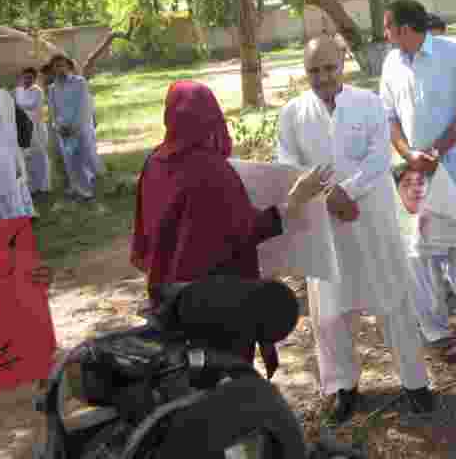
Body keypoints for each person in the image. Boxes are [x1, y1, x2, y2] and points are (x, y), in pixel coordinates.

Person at [276, 35, 433, 422]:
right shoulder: (293, 114)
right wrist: (328, 197)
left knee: (393, 301)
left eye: (329, 68)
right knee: (329, 313)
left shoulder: (367, 103)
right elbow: (287, 166)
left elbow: (379, 156)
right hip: (324, 225)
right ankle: (342, 387)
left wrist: (347, 191)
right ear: (305, 72)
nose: (322, 77)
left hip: (371, 221)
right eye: (314, 70)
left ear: (342, 64)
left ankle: (415, 383)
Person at [132, 80, 289, 376]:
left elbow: (146, 232)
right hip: (215, 304)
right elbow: (246, 230)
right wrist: (290, 205)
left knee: (184, 378)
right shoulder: (213, 170)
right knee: (225, 382)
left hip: (168, 299)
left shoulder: (153, 162)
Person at [379, 0, 456, 360]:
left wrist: (437, 152)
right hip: (415, 172)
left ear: (403, 29)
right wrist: (408, 155)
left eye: (387, 27)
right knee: (421, 250)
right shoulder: (390, 64)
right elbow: (390, 118)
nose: (384, 35)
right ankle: (435, 328)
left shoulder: (455, 53)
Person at [0, 65, 53, 459]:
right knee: (13, 276)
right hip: (8, 200)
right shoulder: (3, 100)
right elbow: (23, 133)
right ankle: (31, 363)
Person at [0, 64, 34, 217]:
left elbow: (23, 121)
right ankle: (23, 214)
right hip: (5, 148)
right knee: (14, 186)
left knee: (12, 187)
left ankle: (21, 215)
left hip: (5, 147)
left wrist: (23, 144)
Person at [47, 54, 100, 200]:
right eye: (56, 66)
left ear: (68, 66)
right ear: (53, 69)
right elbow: (52, 110)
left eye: (62, 65)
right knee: (69, 159)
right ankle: (76, 187)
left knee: (83, 157)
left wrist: (75, 127)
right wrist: (58, 126)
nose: (60, 69)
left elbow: (83, 106)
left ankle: (87, 191)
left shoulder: (79, 82)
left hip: (80, 126)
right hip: (63, 130)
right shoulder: (52, 88)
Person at [14, 67, 52, 196]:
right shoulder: (18, 91)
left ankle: (44, 186)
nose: (27, 80)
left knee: (40, 156)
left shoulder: (38, 91)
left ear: (35, 79)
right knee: (26, 158)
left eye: (30, 78)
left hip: (37, 127)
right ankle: (31, 187)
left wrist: (19, 107)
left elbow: (33, 106)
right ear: (21, 77)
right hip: (23, 128)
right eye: (25, 77)